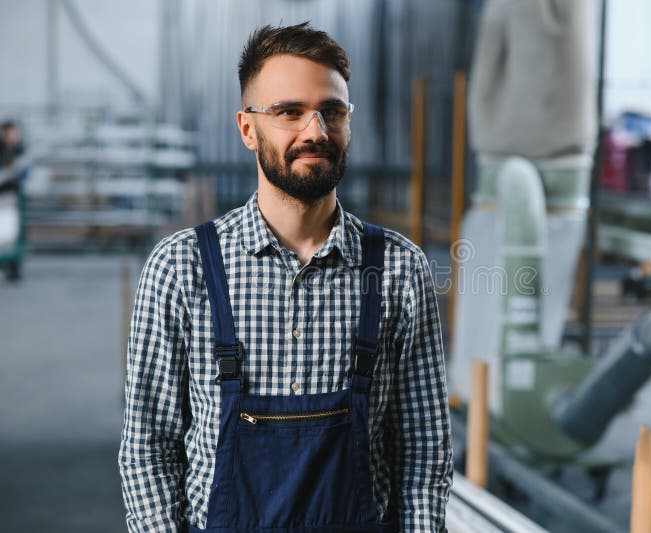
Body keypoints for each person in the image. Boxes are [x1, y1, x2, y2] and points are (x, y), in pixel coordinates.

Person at [119, 22, 453, 532]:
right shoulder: (180, 269)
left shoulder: (399, 272)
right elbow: (149, 448)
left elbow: (424, 454)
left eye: (332, 111)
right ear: (247, 128)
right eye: (289, 112)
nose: (315, 130)